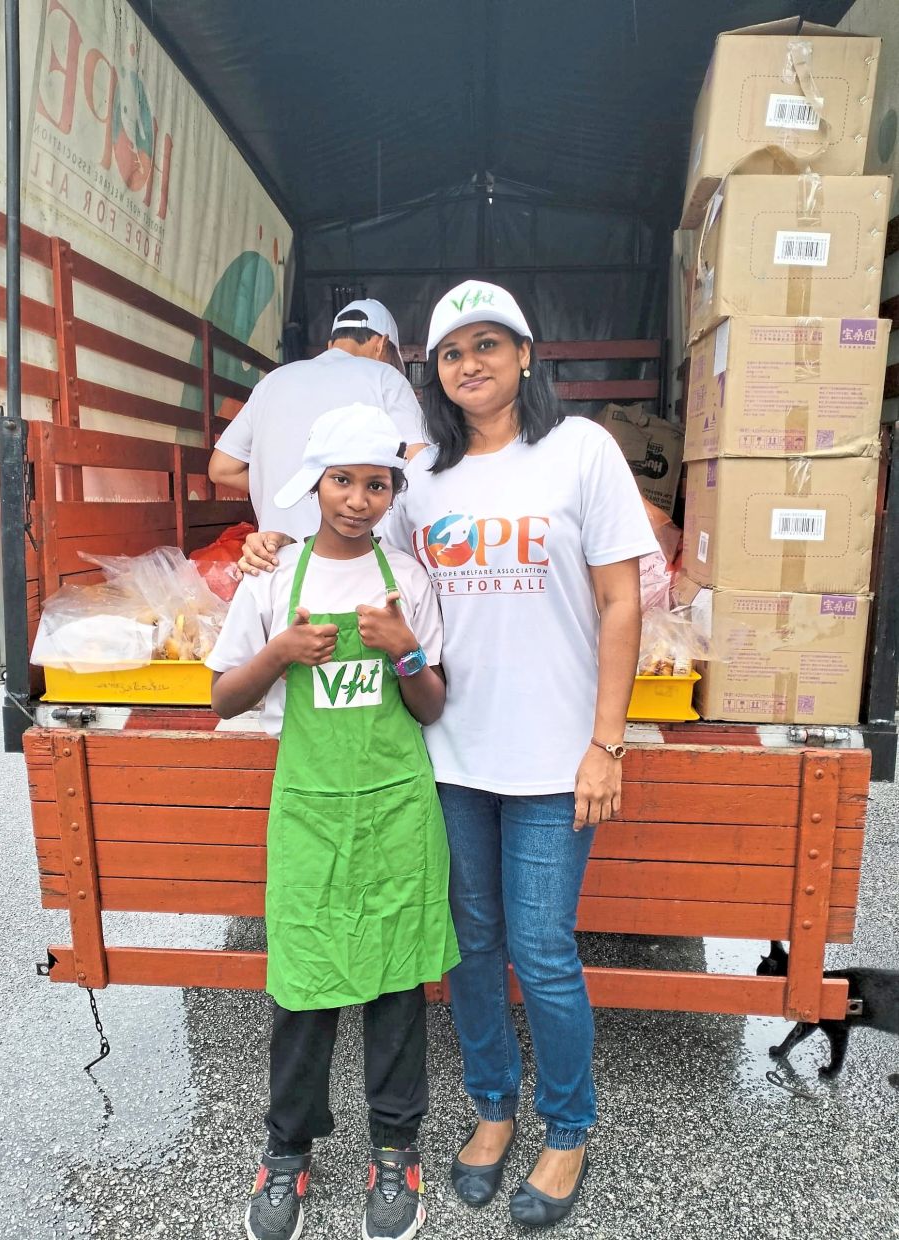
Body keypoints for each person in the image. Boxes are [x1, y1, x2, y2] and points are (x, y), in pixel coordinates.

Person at [242, 280, 658, 1229]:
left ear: (523, 355)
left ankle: (565, 1128)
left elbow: (622, 601)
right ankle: (492, 1109)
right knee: (470, 950)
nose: (471, 364)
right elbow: (338, 529)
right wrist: (270, 540)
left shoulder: (580, 451)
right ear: (432, 371)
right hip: (452, 754)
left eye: (489, 344)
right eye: (452, 351)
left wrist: (607, 742)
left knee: (544, 952)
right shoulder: (419, 475)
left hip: (557, 758)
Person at [207, 403, 459, 1240]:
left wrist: (403, 651)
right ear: (313, 485)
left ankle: (397, 1151)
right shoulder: (273, 578)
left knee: (395, 985)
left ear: (393, 492)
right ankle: (286, 1153)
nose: (358, 498)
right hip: (310, 811)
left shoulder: (409, 580)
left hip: (394, 809)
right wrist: (278, 653)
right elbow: (221, 698)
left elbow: (429, 707)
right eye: (342, 480)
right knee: (303, 990)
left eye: (375, 483)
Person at [209, 299, 424, 548]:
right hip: (362, 561)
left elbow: (221, 468)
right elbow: (418, 464)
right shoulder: (386, 376)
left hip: (277, 558)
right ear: (382, 345)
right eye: (393, 360)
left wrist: (290, 485)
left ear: (331, 344)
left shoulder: (274, 380)